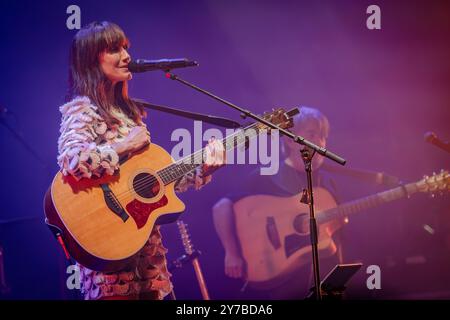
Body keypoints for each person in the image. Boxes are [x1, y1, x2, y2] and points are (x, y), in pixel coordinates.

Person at [57, 21, 224, 300]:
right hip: (109, 260)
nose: (126, 56)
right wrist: (124, 145)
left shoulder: (128, 114)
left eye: (125, 48)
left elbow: (154, 183)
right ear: (90, 58)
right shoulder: (82, 109)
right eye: (114, 49)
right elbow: (72, 161)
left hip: (147, 261)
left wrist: (203, 167)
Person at [212, 107, 343, 299]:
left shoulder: (328, 182)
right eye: (312, 134)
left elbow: (337, 235)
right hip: (280, 282)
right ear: (290, 139)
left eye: (323, 136)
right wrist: (232, 253)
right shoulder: (266, 177)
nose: (320, 141)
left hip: (322, 281)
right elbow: (221, 208)